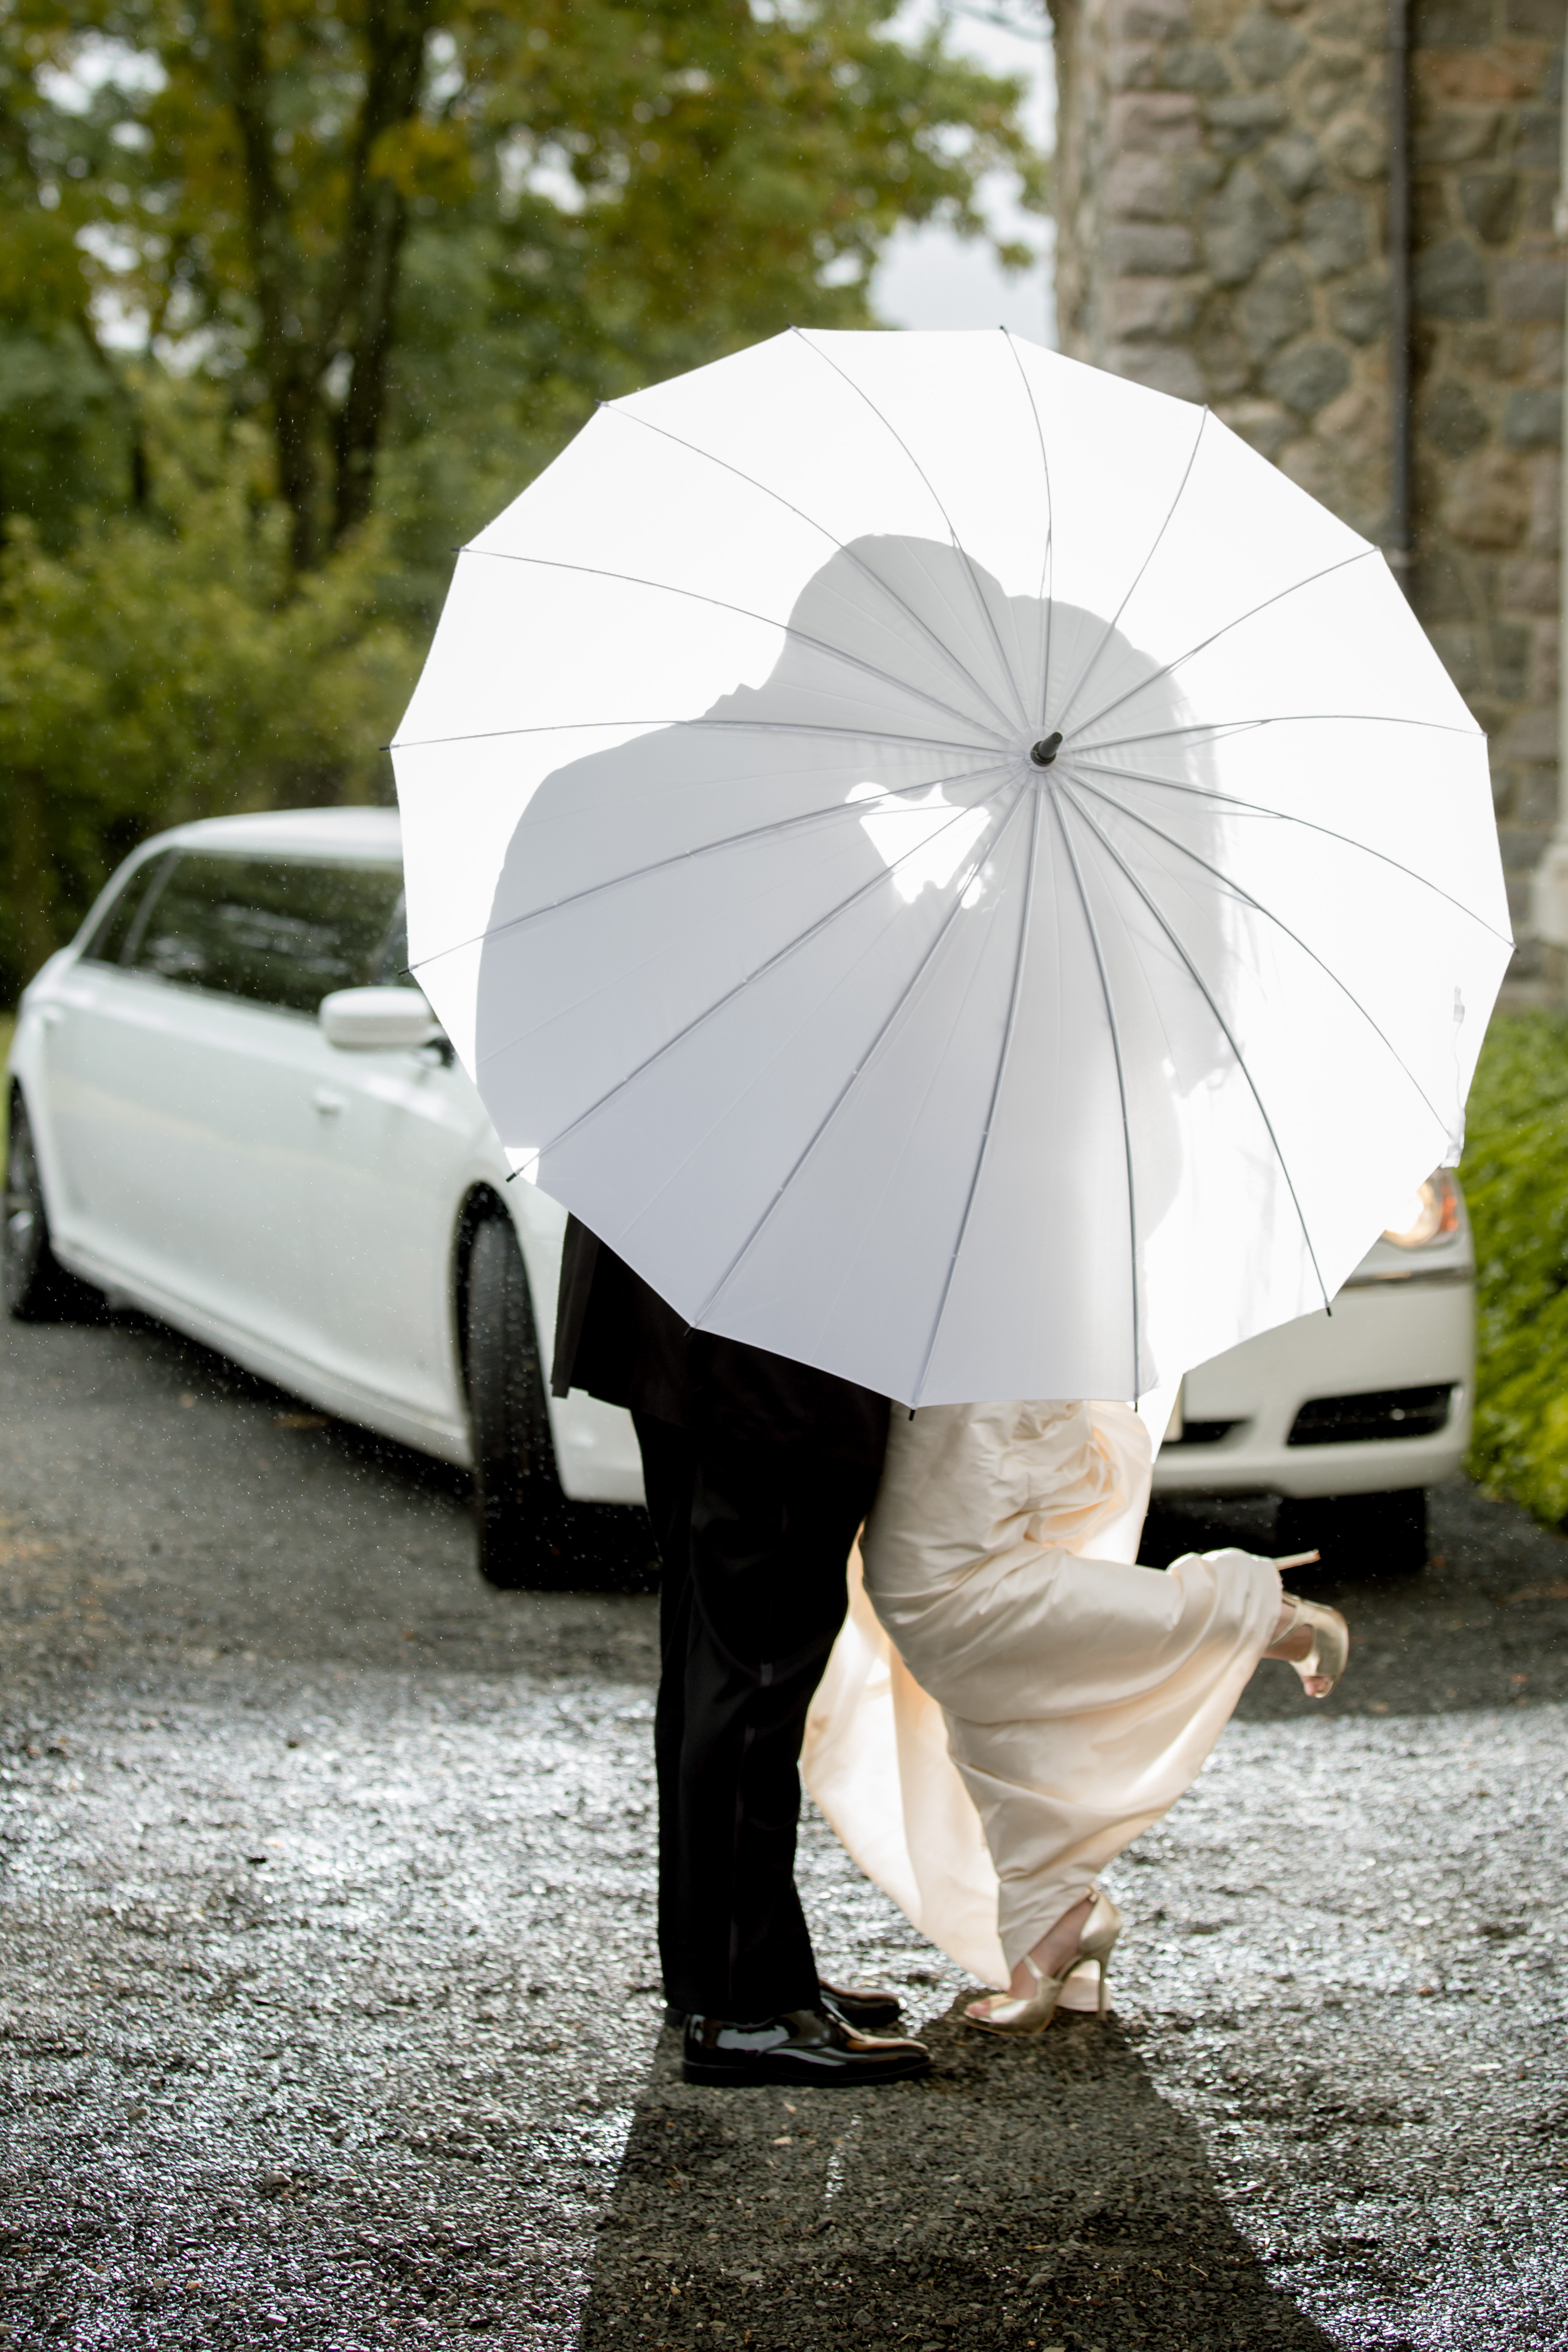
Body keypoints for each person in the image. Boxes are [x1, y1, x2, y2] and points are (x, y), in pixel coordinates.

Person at [803, 1396, 1347, 2031]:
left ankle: (1259, 1617)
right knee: (995, 1680)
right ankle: (1056, 1921)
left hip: (975, 1375)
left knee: (941, 1597)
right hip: (943, 1382)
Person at [551, 1217, 931, 2087]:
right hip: (777, 1343)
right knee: (753, 1667)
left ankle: (720, 1970)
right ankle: (746, 2004)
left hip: (682, 1314)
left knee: (710, 1650)